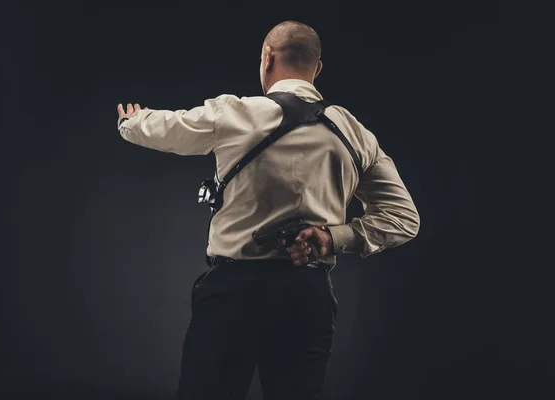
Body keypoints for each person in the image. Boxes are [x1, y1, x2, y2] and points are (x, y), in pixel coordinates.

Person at [116, 20, 419, 400]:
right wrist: (331, 237)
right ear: (317, 68)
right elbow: (403, 218)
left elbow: (165, 127)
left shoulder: (236, 114)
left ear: (267, 57)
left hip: (233, 294)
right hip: (307, 296)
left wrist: (131, 122)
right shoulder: (355, 133)